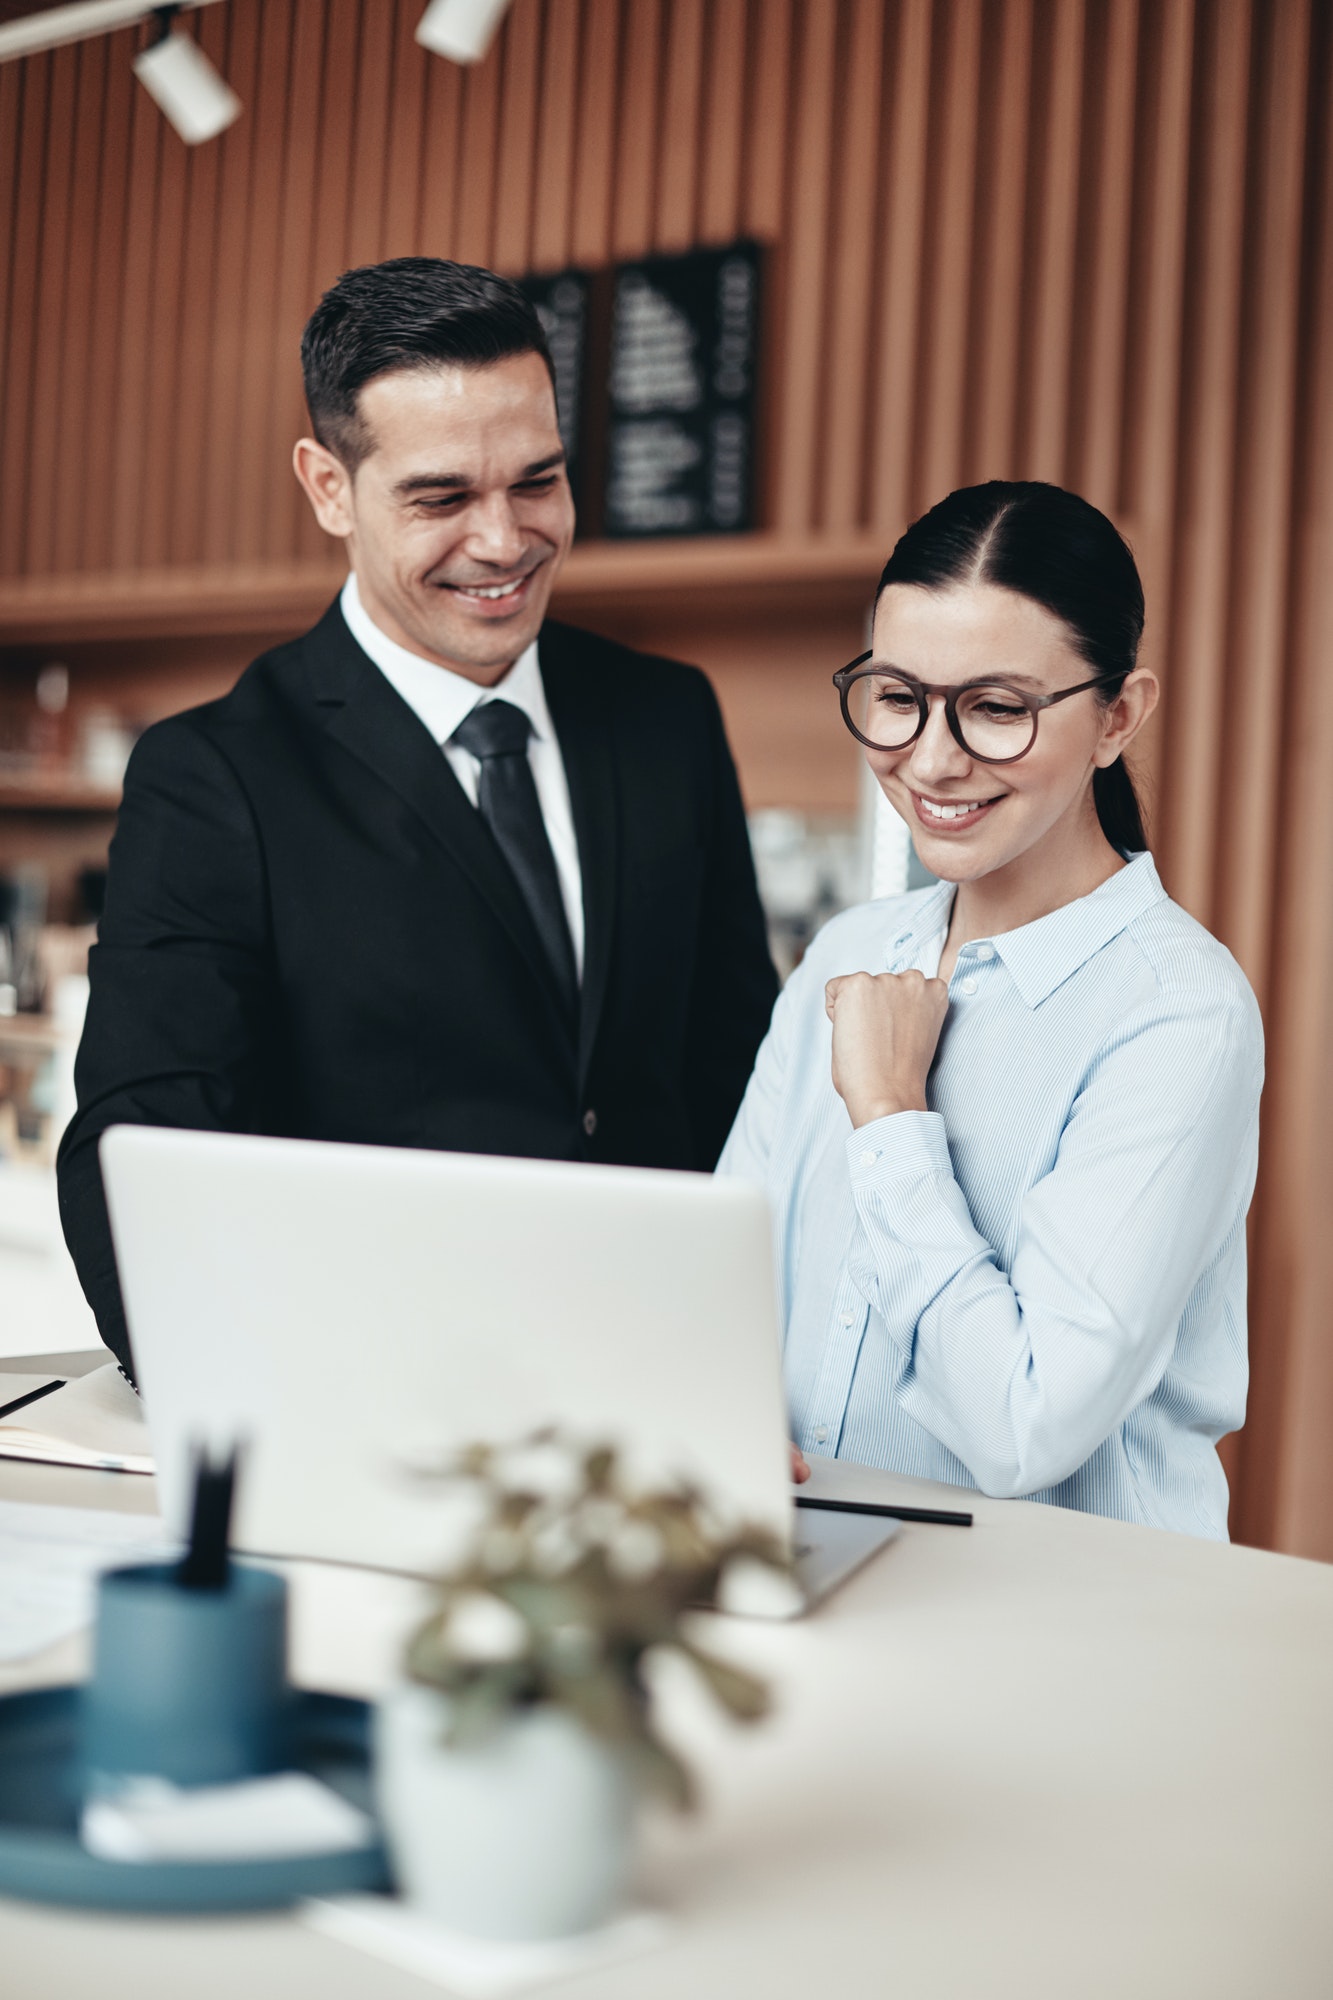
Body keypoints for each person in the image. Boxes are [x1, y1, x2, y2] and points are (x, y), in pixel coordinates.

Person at [59, 257, 777, 1376]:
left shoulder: (665, 715)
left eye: (537, 480)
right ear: (328, 486)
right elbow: (140, 1146)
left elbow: (740, 1070)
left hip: (667, 1383)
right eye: (442, 497)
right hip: (381, 1395)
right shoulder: (216, 774)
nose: (504, 541)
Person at [722, 481, 1262, 1537]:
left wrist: (888, 1115)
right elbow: (719, 1282)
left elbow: (1024, 1424)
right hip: (801, 1579)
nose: (930, 757)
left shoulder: (1178, 1015)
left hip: (1059, 1632)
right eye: (895, 695)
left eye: (996, 707)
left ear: (1117, 715)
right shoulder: (846, 953)